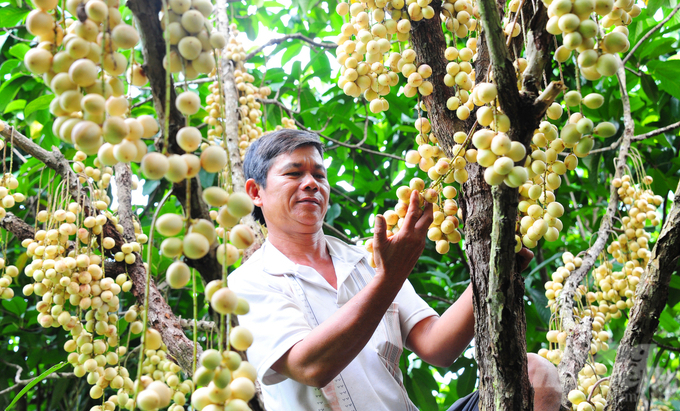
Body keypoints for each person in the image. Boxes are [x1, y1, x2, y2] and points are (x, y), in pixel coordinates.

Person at [228, 129, 561, 411]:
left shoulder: (365, 259)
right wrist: (389, 278)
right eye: (294, 173)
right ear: (256, 192)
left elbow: (438, 346)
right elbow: (310, 365)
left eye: (319, 175)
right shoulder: (247, 283)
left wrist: (496, 271)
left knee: (536, 373)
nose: (312, 183)